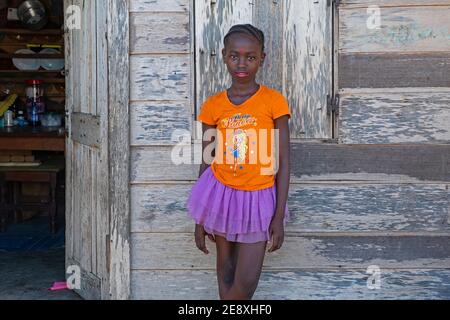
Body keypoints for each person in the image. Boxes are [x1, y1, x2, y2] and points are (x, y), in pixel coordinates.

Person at [186, 24, 291, 300]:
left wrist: (278, 217)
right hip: (221, 194)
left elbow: (284, 162)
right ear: (224, 55)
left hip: (259, 198)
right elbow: (207, 160)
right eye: (235, 56)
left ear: (262, 58)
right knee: (226, 271)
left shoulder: (274, 102)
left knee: (245, 283)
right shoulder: (213, 105)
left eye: (250, 57)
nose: (242, 63)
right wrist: (201, 217)